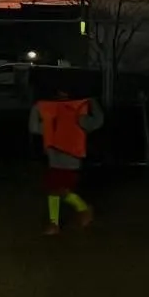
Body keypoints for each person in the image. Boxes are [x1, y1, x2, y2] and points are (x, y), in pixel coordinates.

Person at [30, 85, 104, 236]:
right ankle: (56, 223)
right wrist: (36, 108)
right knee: (53, 192)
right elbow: (34, 127)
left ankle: (83, 209)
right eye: (59, 98)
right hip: (54, 161)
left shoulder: (78, 117)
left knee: (62, 191)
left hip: (71, 162)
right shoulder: (51, 119)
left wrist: (92, 103)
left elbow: (97, 121)